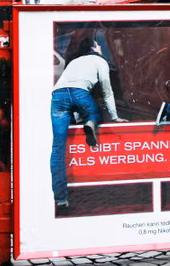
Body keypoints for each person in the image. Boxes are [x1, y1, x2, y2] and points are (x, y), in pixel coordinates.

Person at [50, 38, 128, 210]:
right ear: (95, 48)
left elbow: (67, 87)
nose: (101, 46)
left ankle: (60, 199)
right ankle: (91, 123)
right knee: (94, 112)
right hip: (81, 93)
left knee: (58, 148)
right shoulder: (100, 61)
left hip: (58, 95)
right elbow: (107, 92)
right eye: (99, 44)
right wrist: (115, 117)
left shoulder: (74, 62)